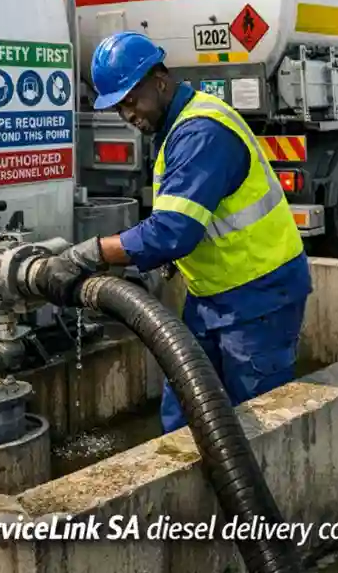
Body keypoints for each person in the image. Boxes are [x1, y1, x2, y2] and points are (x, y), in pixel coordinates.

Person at [58, 31, 313, 433]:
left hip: (260, 298)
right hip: (213, 295)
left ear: (160, 81)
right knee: (185, 409)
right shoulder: (176, 128)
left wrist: (92, 252)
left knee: (258, 425)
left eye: (131, 101)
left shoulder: (201, 133)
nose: (128, 115)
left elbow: (172, 232)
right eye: (119, 107)